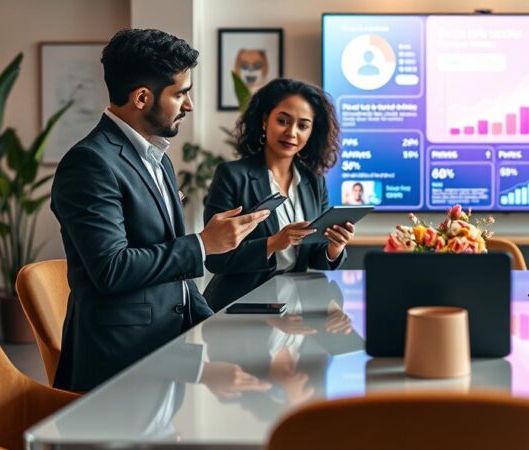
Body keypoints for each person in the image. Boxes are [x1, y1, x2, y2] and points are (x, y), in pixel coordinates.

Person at [51, 28, 270, 392]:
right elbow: (112, 269)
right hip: (120, 365)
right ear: (141, 97)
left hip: (168, 349)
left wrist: (214, 328)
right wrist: (203, 245)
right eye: (180, 93)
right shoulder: (89, 163)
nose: (189, 105)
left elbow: (176, 278)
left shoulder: (158, 159)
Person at [202, 78, 355, 311]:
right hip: (240, 307)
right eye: (283, 121)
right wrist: (273, 243)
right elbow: (216, 257)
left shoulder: (314, 182)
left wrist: (335, 247)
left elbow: (314, 256)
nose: (291, 133)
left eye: (303, 125)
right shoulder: (232, 176)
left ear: (312, 131)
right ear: (265, 121)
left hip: (295, 306)